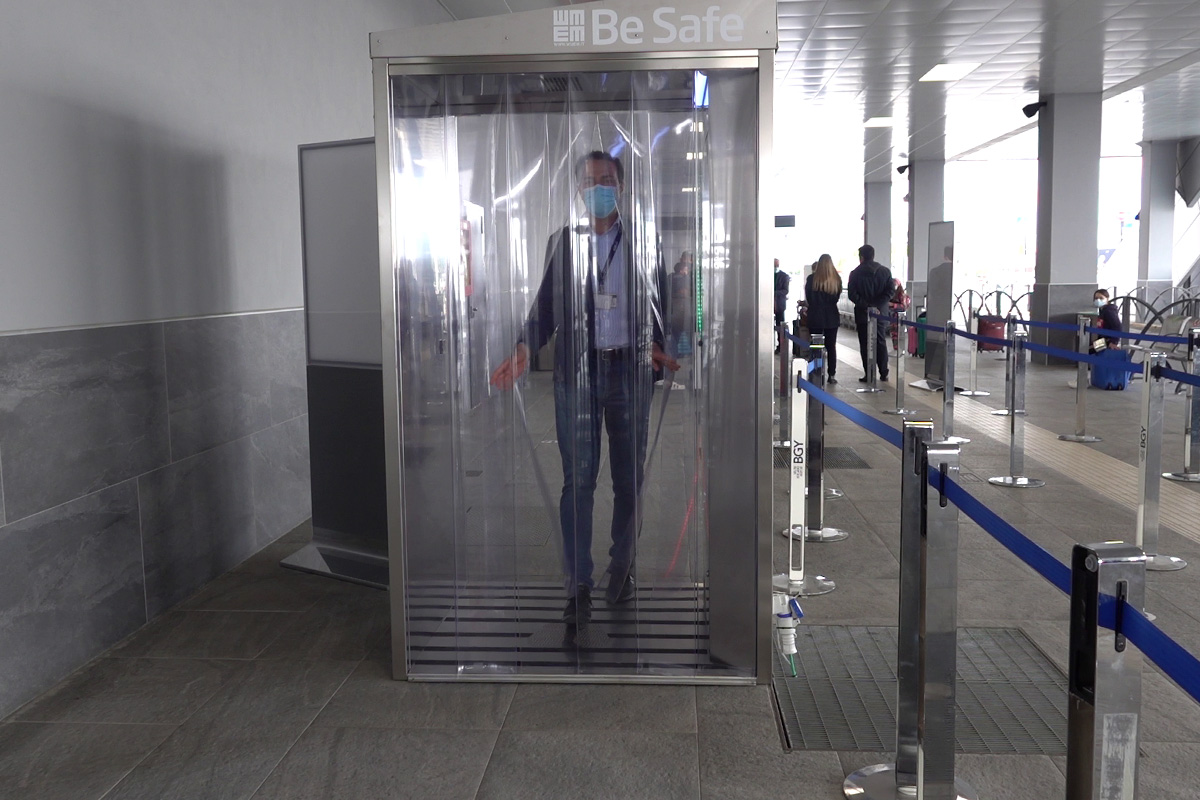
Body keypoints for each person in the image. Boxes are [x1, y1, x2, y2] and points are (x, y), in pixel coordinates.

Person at [489, 150, 679, 626]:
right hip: (578, 375)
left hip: (629, 373)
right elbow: (545, 309)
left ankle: (622, 566)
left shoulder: (643, 242)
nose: (599, 188)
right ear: (578, 190)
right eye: (591, 181)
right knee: (578, 482)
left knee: (628, 479)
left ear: (622, 186)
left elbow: (658, 306)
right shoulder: (564, 242)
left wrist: (660, 346)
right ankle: (578, 583)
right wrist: (522, 347)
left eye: (608, 180)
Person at [846, 244, 893, 381]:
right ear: (873, 255)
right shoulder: (885, 271)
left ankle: (869, 373)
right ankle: (884, 372)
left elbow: (852, 294)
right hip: (880, 313)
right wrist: (877, 305)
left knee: (865, 343)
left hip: (862, 313)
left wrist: (867, 306)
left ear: (861, 257)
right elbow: (890, 291)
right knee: (880, 340)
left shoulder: (855, 273)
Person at [804, 254, 843, 384]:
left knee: (816, 346)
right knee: (831, 347)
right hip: (831, 316)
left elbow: (809, 298)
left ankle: (816, 372)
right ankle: (831, 375)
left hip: (815, 316)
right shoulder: (836, 280)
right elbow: (836, 298)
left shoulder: (811, 279)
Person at [669, 251, 694, 358]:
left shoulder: (694, 277)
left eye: (689, 261)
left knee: (693, 342)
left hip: (689, 314)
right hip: (676, 314)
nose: (686, 263)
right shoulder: (672, 277)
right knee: (674, 340)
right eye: (685, 260)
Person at [774, 258, 790, 352]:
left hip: (779, 305)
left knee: (780, 325)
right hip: (768, 305)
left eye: (776, 265)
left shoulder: (784, 276)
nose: (775, 267)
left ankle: (780, 346)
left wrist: (774, 293)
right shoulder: (767, 275)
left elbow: (785, 290)